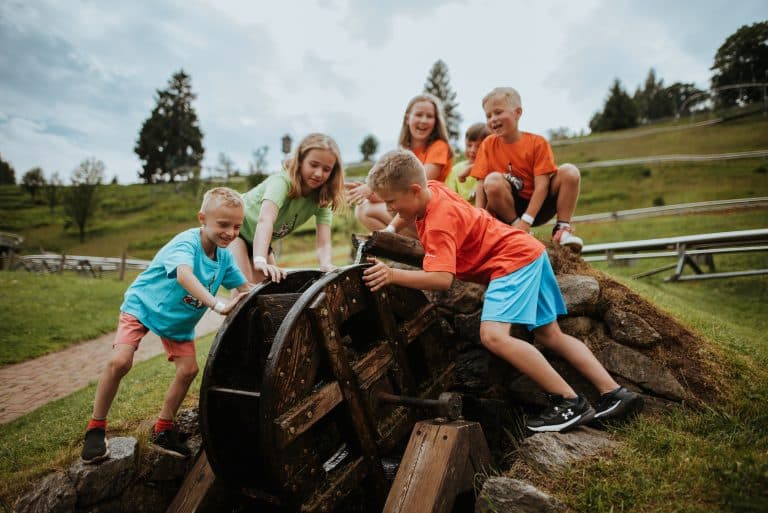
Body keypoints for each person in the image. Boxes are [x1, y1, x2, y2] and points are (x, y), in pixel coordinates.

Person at [362, 150, 643, 432]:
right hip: (529, 252)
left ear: (413, 190)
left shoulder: (438, 224)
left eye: (391, 203)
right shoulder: (432, 189)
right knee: (550, 334)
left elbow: (442, 279)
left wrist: (391, 274)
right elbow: (407, 213)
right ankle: (614, 393)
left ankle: (569, 402)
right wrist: (389, 229)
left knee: (494, 336)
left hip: (511, 263)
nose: (389, 209)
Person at [81, 187, 252, 463]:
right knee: (120, 362)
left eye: (237, 226)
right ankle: (95, 429)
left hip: (177, 321)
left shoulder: (224, 257)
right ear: (202, 219)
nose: (230, 233)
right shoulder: (185, 244)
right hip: (144, 306)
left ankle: (163, 428)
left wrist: (274, 281)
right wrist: (217, 304)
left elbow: (245, 288)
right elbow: (184, 275)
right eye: (223, 224)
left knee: (188, 370)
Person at [469, 87, 584, 250]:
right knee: (492, 180)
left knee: (570, 171)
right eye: (488, 115)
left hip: (539, 206)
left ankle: (562, 230)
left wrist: (527, 221)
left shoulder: (537, 143)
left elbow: (542, 185)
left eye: (498, 112)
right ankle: (517, 229)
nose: (493, 119)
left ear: (517, 113)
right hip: (508, 208)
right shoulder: (488, 144)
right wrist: (479, 217)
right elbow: (481, 183)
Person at [229, 133, 345, 283]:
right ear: (300, 161)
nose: (318, 174)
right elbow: (265, 220)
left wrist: (326, 264)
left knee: (270, 288)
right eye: (314, 165)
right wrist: (259, 259)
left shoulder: (321, 198)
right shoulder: (282, 182)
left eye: (326, 169)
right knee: (243, 288)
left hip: (259, 240)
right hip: (235, 230)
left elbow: (324, 241)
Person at [348, 93, 453, 234]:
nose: (423, 120)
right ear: (408, 118)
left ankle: (418, 248)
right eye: (419, 115)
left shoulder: (439, 147)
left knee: (377, 208)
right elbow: (392, 192)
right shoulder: (405, 152)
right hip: (412, 213)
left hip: (432, 213)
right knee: (363, 208)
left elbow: (417, 184)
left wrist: (372, 190)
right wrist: (367, 192)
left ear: (436, 121)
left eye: (429, 116)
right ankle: (404, 250)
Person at [445, 122, 490, 203]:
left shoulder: (490, 169)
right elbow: (450, 196)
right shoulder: (455, 170)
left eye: (478, 147)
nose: (472, 150)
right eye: (469, 145)